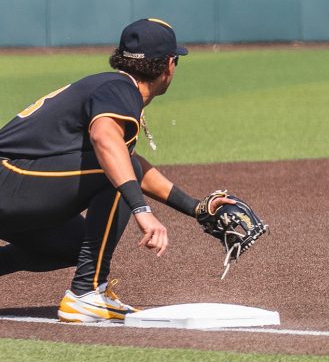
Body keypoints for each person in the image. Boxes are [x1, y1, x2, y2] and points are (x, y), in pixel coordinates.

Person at [0, 18, 236, 322]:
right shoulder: (120, 89)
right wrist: (141, 209)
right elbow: (105, 141)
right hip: (8, 179)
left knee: (75, 245)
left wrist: (195, 208)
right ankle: (86, 292)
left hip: (13, 183)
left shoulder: (111, 87)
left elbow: (127, 162)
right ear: (168, 65)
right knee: (116, 172)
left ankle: (87, 287)